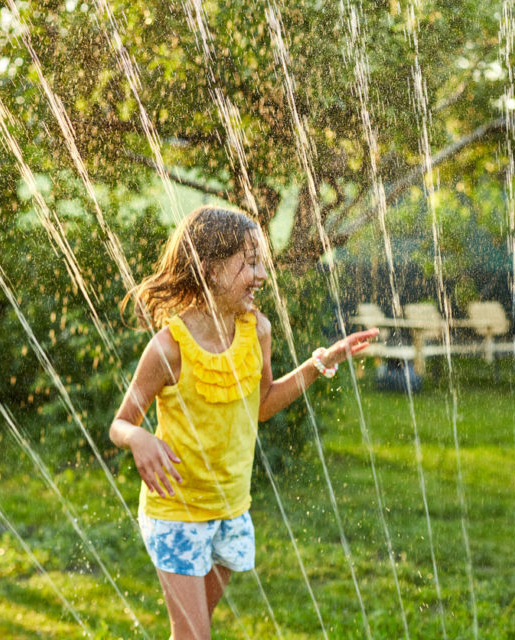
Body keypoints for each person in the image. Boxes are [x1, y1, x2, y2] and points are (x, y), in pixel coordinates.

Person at [110, 205, 377, 640]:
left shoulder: (258, 331)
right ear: (210, 269)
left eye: (261, 264)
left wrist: (317, 364)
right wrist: (139, 439)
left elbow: (262, 404)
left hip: (230, 510)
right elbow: (121, 424)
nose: (260, 275)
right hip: (176, 513)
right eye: (249, 263)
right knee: (195, 636)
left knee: (193, 632)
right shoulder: (169, 348)